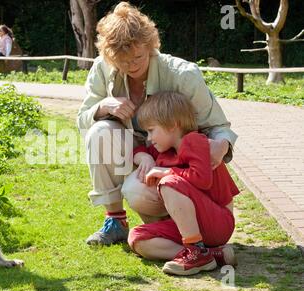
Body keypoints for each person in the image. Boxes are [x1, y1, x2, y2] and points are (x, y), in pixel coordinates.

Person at [77, 2, 238, 246]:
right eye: (122, 60)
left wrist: (222, 145)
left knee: (136, 191)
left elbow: (218, 126)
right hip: (140, 152)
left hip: (177, 162)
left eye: (138, 57)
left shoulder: (183, 75)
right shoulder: (102, 67)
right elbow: (82, 119)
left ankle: (184, 232)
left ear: (150, 45)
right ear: (110, 56)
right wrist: (105, 106)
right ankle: (116, 221)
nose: (131, 65)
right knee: (99, 131)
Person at [129, 91, 239, 276]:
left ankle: (195, 251)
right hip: (196, 226)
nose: (149, 138)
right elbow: (139, 149)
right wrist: (145, 157)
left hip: (218, 222)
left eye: (151, 130)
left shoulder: (196, 142)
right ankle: (211, 255)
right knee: (137, 238)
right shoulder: (166, 150)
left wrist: (165, 172)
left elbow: (202, 179)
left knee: (169, 183)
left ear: (172, 125)